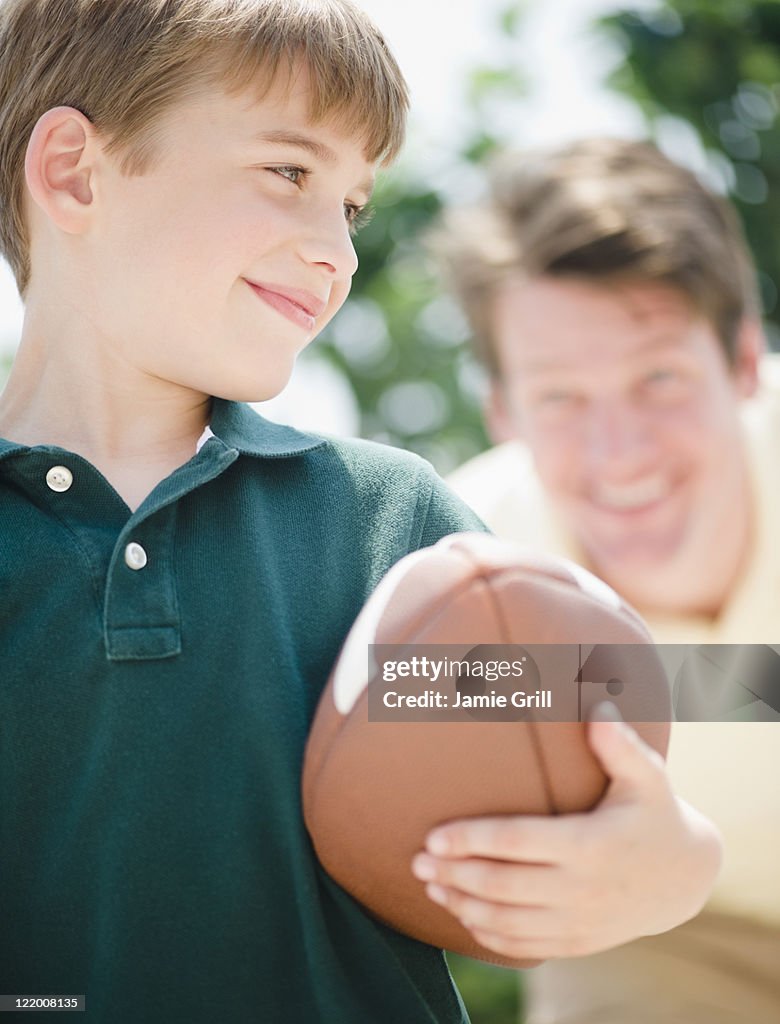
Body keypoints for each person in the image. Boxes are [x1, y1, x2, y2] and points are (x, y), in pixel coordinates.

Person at [0, 2, 720, 1018]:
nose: (337, 252)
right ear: (75, 169)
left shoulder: (389, 529)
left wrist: (671, 863)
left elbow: (593, 730)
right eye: (291, 174)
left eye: (351, 207)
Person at [441, 137, 780, 1022]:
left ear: (744, 362)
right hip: (666, 939)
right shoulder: (459, 554)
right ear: (504, 412)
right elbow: (392, 695)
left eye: (659, 377)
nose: (619, 451)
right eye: (560, 398)